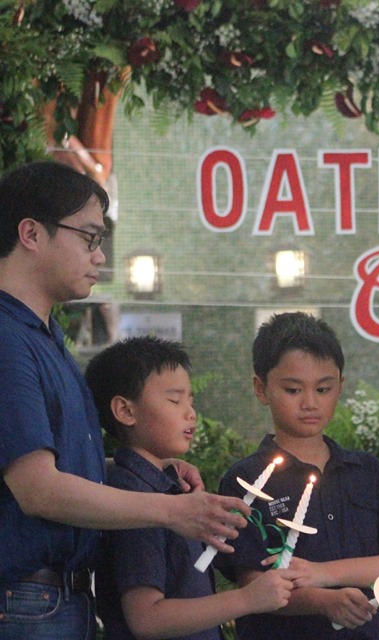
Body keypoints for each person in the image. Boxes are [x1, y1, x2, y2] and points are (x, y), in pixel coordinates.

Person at [0, 162, 249, 640]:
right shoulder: (9, 339)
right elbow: (38, 489)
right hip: (25, 601)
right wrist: (171, 510)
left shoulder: (46, 336)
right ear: (31, 233)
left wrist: (144, 467)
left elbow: (55, 461)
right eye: (90, 238)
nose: (100, 257)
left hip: (56, 599)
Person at [216, 312, 379, 639]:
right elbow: (253, 583)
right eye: (294, 390)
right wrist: (323, 602)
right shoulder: (247, 480)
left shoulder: (367, 473)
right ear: (261, 388)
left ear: (340, 385)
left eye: (323, 389)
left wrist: (324, 574)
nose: (310, 403)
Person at [86, 336, 298, 640]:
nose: (190, 413)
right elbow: (146, 618)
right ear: (125, 410)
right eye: (175, 400)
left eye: (191, 401)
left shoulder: (165, 486)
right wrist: (247, 598)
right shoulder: (135, 499)